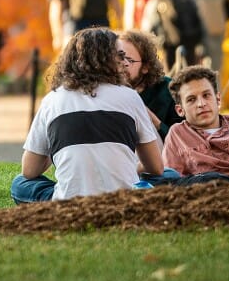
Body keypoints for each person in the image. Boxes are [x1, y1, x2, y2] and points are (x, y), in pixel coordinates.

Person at [10, 27, 165, 203]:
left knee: (20, 183)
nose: (124, 62)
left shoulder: (52, 100)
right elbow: (156, 167)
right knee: (169, 174)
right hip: (124, 200)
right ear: (106, 60)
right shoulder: (130, 97)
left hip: (67, 202)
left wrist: (56, 145)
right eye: (119, 55)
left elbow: (29, 170)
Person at [116, 30, 183, 139]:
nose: (121, 65)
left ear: (145, 67)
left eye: (129, 60)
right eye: (118, 59)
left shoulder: (169, 90)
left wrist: (153, 120)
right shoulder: (108, 90)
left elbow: (182, 143)